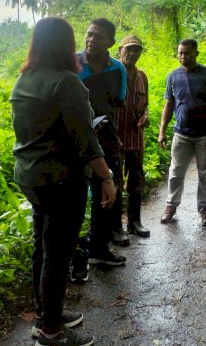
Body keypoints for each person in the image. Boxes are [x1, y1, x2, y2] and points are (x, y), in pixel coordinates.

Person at [11, 17, 115, 346]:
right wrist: (107, 177)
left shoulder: (24, 79)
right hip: (60, 180)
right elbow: (86, 139)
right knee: (57, 255)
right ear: (65, 45)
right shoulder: (66, 82)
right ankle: (51, 331)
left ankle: (47, 315)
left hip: (31, 177)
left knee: (42, 248)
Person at [158, 39, 206, 227]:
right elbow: (169, 104)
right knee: (175, 172)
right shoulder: (173, 76)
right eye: (180, 53)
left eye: (187, 53)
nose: (182, 56)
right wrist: (162, 131)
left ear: (196, 53)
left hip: (205, 134)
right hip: (181, 134)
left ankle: (205, 209)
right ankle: (171, 206)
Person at [77, 18, 128, 266]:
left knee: (105, 195)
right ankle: (75, 252)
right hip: (75, 142)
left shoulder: (118, 69)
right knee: (75, 195)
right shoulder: (72, 65)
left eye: (98, 36)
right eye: (89, 35)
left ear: (111, 42)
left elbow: (118, 102)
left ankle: (98, 247)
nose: (91, 40)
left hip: (105, 142)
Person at [117, 34, 151, 238]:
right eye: (128, 49)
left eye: (136, 50)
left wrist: (145, 115)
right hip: (115, 138)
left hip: (136, 138)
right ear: (120, 50)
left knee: (136, 181)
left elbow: (145, 103)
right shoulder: (113, 74)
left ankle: (135, 222)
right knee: (115, 182)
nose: (132, 53)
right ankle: (115, 227)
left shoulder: (142, 76)